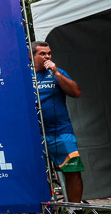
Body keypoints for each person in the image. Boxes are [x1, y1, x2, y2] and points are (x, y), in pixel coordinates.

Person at [32, 41, 84, 203]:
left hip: (61, 132)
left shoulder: (57, 72)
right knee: (38, 173)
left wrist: (56, 73)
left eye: (49, 53)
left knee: (73, 170)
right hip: (34, 134)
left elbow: (76, 92)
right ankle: (45, 210)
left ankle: (75, 210)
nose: (47, 56)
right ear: (31, 56)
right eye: (42, 54)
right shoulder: (24, 75)